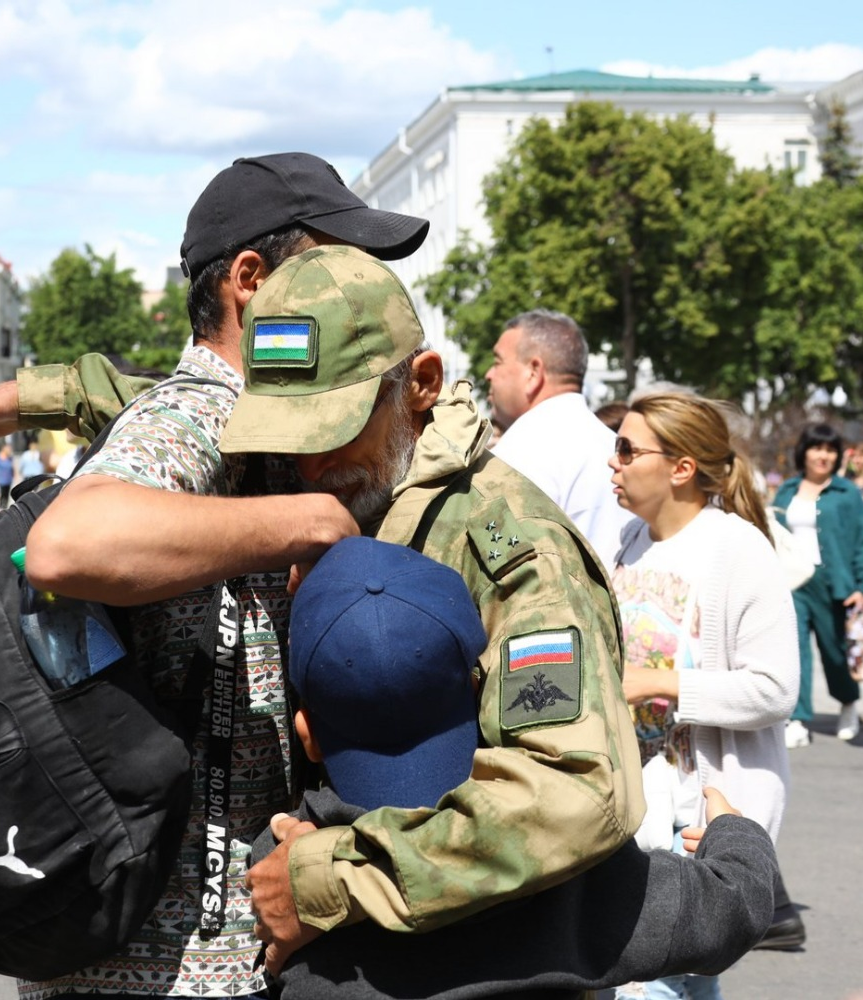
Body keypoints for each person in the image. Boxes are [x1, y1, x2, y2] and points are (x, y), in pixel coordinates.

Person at [0, 152, 432, 999]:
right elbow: (69, 544)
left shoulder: (254, 417)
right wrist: (311, 524)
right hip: (167, 965)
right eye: (332, 265)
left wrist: (31, 395)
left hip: (170, 950)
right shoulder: (201, 413)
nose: (355, 288)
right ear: (251, 283)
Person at [209, 247, 641, 973]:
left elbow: (577, 792)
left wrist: (335, 876)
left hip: (483, 969)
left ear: (421, 384)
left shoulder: (511, 548)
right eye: (288, 435)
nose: (309, 465)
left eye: (335, 428)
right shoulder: (355, 496)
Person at [260, 535, 777, 999]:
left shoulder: (287, 867)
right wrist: (735, 835)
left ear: (307, 733)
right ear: (479, 692)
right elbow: (733, 910)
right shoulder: (568, 876)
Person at [608, 391, 801, 995]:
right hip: (637, 813)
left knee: (648, 985)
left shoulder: (736, 548)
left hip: (696, 817)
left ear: (681, 467)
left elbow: (775, 689)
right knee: (677, 984)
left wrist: (658, 683)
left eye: (626, 448)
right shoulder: (629, 541)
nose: (611, 462)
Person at [484, 309, 634, 563]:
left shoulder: (520, 452)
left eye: (498, 362)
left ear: (533, 372)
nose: (489, 374)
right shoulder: (611, 444)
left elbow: (498, 567)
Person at [772, 424, 863, 745]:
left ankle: (848, 703)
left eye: (830, 450)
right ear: (804, 452)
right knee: (795, 651)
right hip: (792, 582)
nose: (823, 456)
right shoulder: (787, 491)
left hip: (833, 582)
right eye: (817, 448)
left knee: (835, 652)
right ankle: (798, 719)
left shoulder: (846, 493)